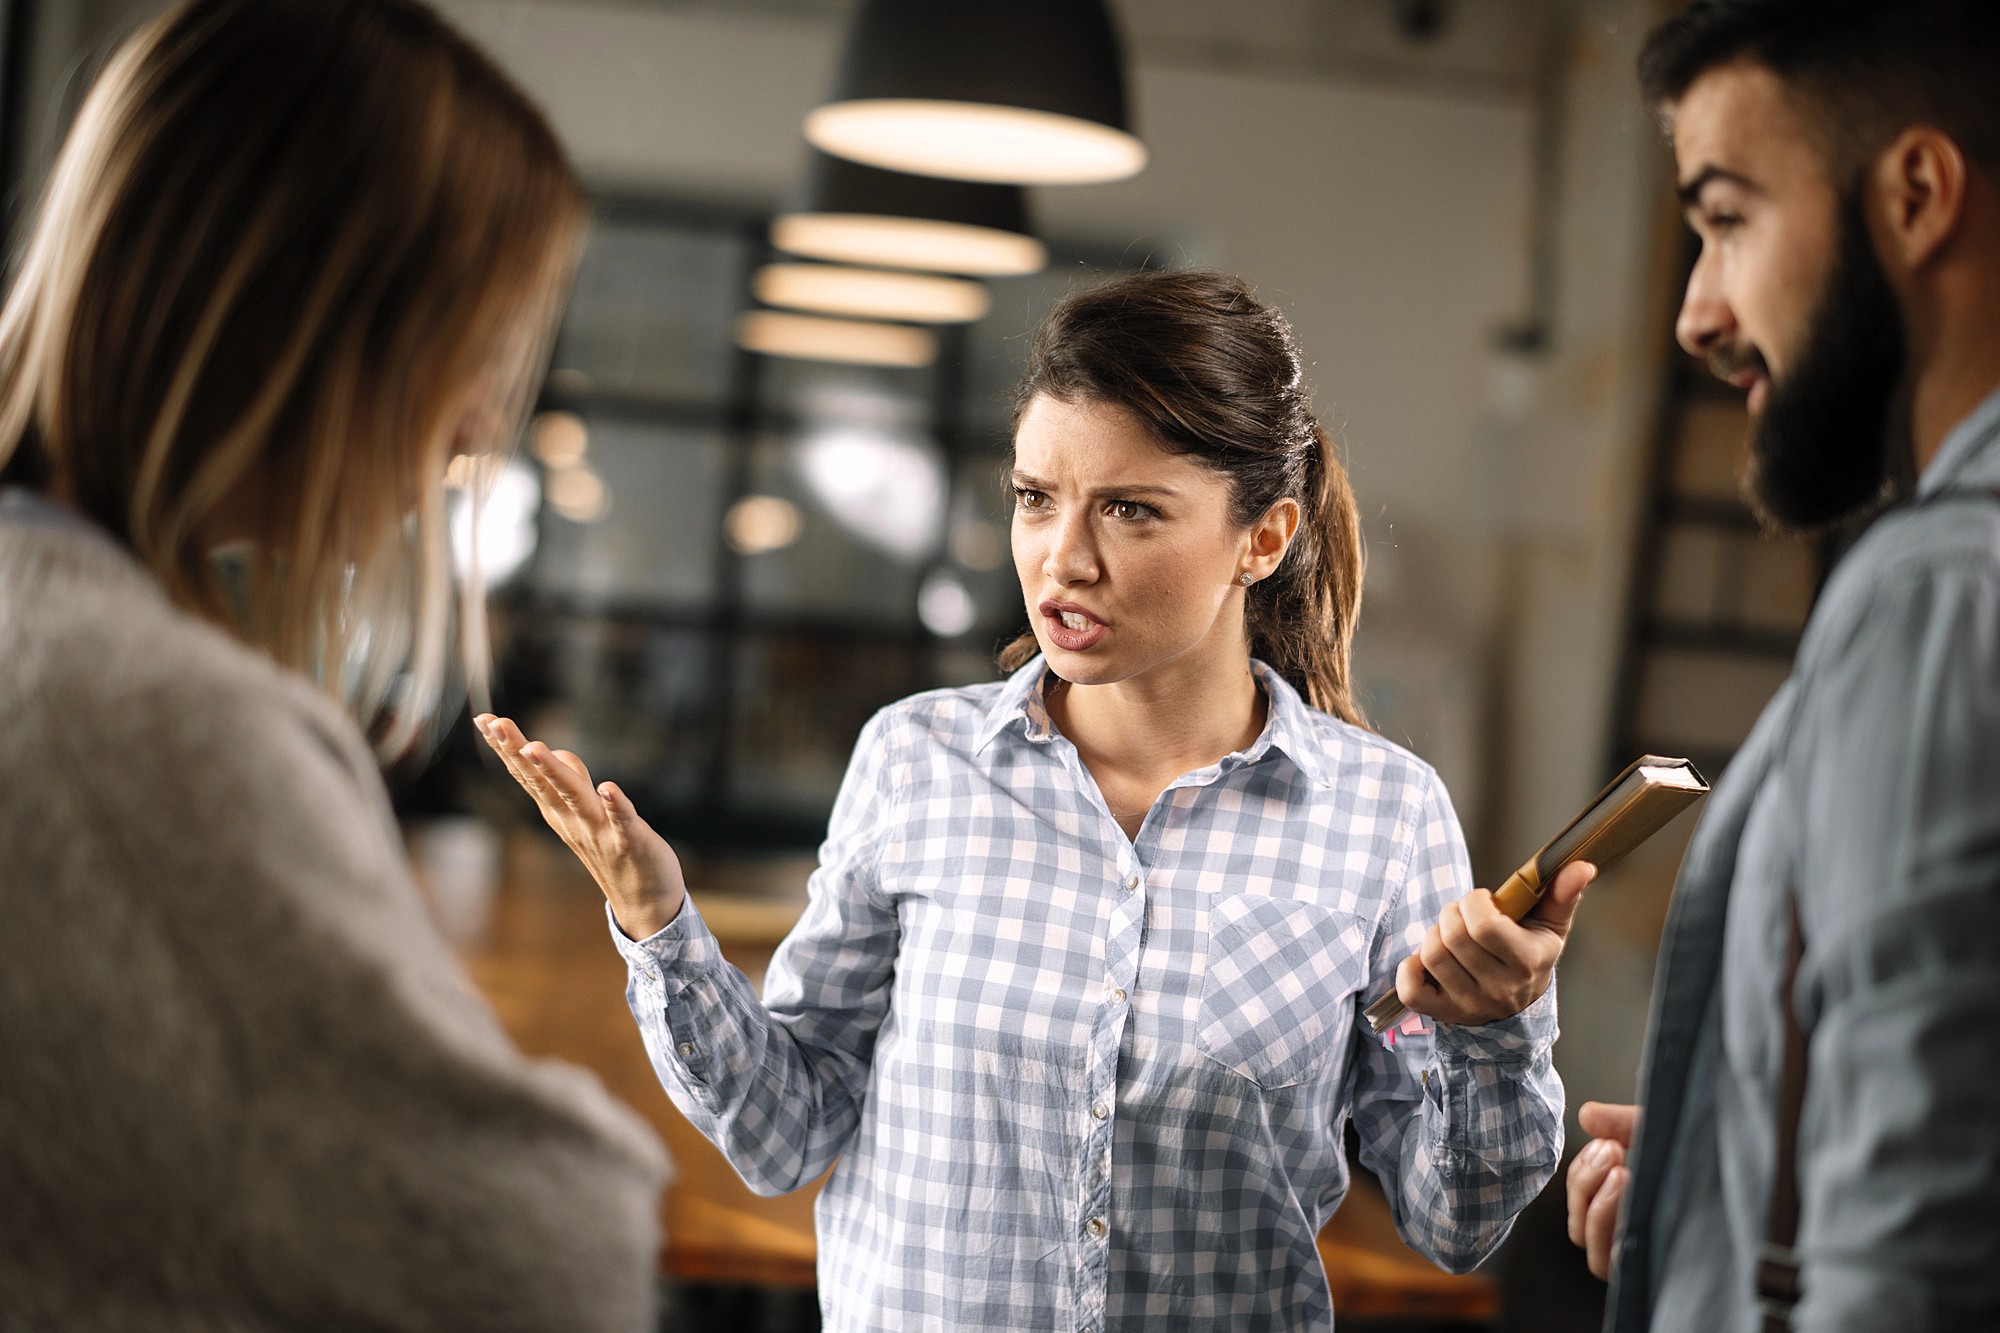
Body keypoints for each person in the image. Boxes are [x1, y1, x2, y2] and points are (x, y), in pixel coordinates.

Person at [481, 269, 1597, 1332]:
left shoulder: (1381, 816)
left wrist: (1495, 1031)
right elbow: (785, 1132)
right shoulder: (915, 760)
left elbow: (1453, 1223)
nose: (1061, 558)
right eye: (1034, 498)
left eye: (1129, 511)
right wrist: (658, 924)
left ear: (1263, 537)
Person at [0, 2, 667, 1328]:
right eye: (468, 348)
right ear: (299, 314)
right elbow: (545, 1259)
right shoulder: (153, 715)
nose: (478, 426)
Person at [1564, 3, 2000, 1328]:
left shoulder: (1935, 593)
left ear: (1916, 195)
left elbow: (1908, 1260)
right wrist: (1736, 1190)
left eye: (1729, 217)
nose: (1699, 312)